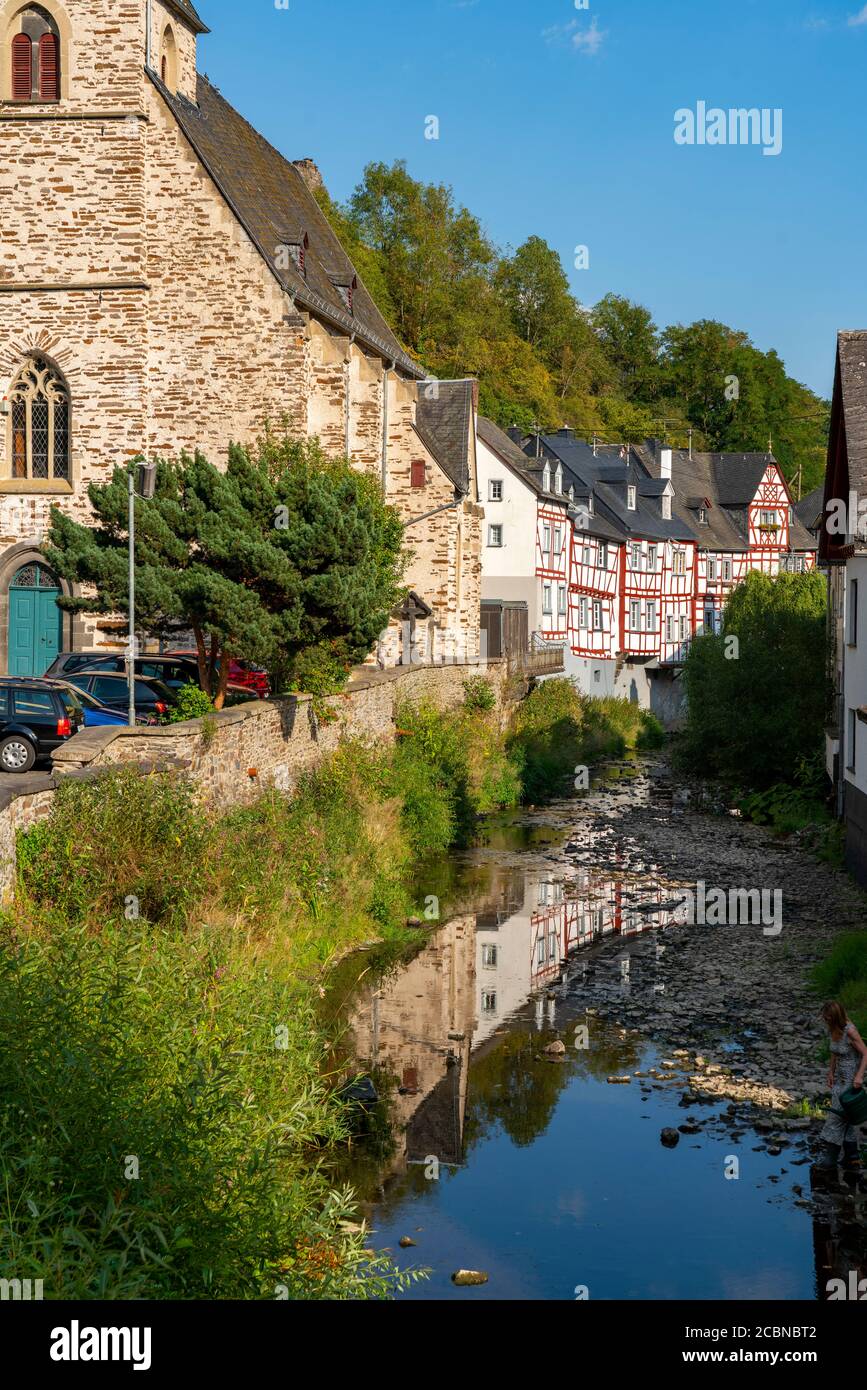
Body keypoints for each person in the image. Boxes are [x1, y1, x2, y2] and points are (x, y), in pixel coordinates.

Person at [817, 1001, 867, 1171]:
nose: (825, 1019)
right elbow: (834, 1051)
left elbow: (865, 1053)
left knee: (837, 1116)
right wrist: (830, 1072)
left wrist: (859, 1076)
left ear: (836, 1016)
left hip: (851, 1078)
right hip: (839, 1077)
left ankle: (830, 1159)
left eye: (828, 1017)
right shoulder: (833, 1029)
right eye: (825, 1017)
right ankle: (852, 1158)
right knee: (848, 1118)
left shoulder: (850, 1031)